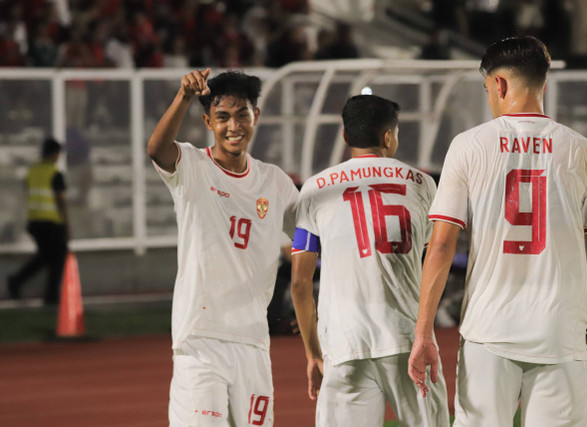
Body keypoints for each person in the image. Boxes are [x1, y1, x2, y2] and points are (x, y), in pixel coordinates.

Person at [408, 36, 587, 426]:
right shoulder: (580, 149)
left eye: (488, 88)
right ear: (543, 83)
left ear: (499, 85)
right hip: (560, 332)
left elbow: (440, 247)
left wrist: (423, 333)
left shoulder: (469, 145)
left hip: (489, 331)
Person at [147, 69, 299, 426]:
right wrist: (183, 96)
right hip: (200, 340)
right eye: (223, 117)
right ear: (208, 121)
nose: (234, 126)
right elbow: (156, 149)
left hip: (253, 342)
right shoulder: (192, 166)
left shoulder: (274, 181)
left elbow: (310, 238)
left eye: (242, 114)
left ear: (255, 116)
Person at [291, 94, 449, 426]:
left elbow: (300, 283)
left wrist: (313, 353)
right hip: (408, 337)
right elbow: (433, 252)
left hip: (344, 343)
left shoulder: (315, 188)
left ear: (346, 136)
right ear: (388, 136)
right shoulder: (422, 184)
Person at [7, 137, 70, 305]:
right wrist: (66, 224)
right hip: (52, 222)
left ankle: (16, 281)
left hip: (34, 222)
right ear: (54, 154)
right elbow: (60, 201)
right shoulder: (55, 174)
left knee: (46, 256)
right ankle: (50, 297)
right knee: (57, 257)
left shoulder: (32, 172)